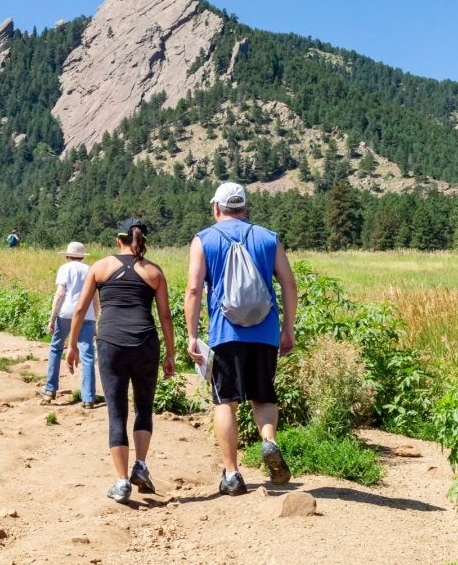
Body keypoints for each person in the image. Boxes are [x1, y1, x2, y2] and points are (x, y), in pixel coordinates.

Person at [185, 182, 297, 496]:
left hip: (224, 334)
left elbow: (194, 289)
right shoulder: (268, 238)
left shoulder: (204, 240)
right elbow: (289, 284)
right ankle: (269, 441)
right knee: (262, 396)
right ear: (245, 208)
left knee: (225, 401)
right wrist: (287, 328)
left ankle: (232, 473)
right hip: (264, 332)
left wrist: (192, 335)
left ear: (217, 208)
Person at [67, 219, 176, 503]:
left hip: (111, 343)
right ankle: (140, 465)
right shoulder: (154, 271)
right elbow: (165, 315)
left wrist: (72, 345)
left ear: (119, 241)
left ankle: (121, 481)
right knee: (143, 407)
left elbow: (80, 308)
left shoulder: (100, 267)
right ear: (141, 241)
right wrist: (171, 353)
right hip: (145, 343)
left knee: (117, 412)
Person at [39, 241, 98, 409]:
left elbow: (59, 294)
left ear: (67, 255)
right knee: (87, 354)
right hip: (87, 315)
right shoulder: (89, 269)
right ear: (82, 256)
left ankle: (50, 389)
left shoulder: (65, 269)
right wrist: (95, 321)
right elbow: (95, 298)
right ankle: (88, 397)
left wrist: (52, 318)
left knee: (56, 348)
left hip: (65, 314)